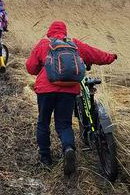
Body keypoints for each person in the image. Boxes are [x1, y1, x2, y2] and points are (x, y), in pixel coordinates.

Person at [25, 20, 117, 175]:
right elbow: (95, 54)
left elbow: (30, 67)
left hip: (45, 90)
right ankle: (68, 148)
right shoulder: (73, 43)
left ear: (49, 31)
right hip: (69, 90)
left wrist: (42, 69)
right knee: (64, 124)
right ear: (65, 31)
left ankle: (45, 158)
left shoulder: (43, 44)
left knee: (43, 122)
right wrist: (111, 57)